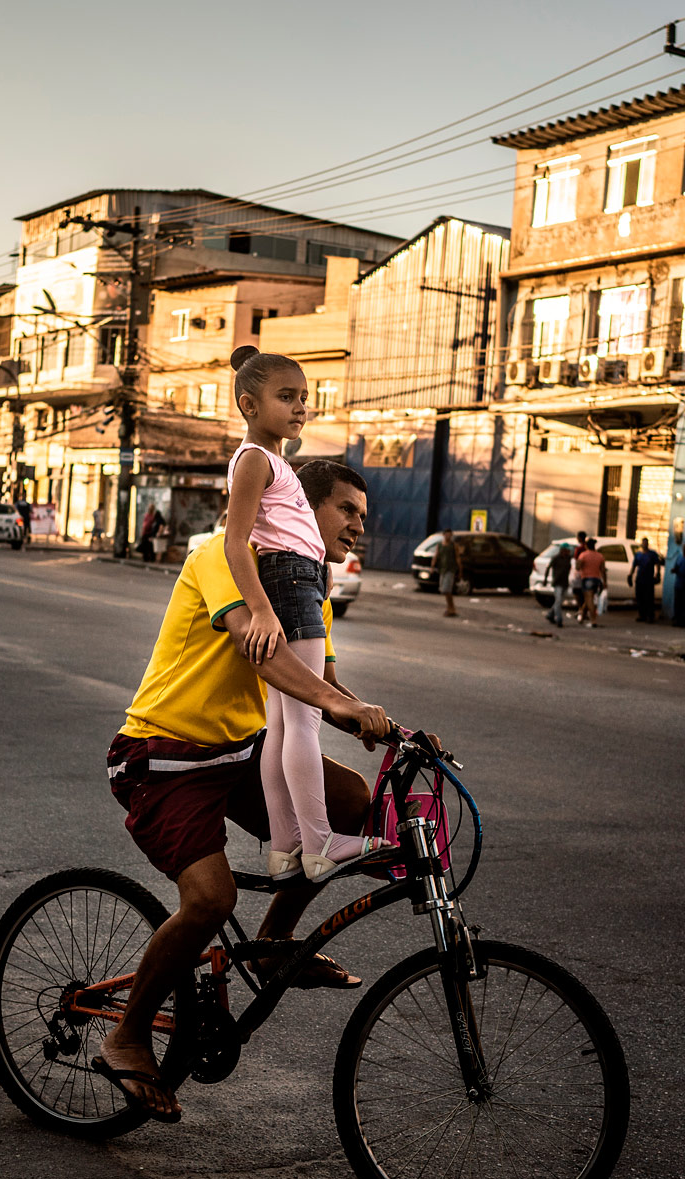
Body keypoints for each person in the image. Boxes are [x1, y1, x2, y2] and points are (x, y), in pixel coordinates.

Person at [101, 458, 391, 1122]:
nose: (356, 527)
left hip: (236, 751)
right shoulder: (220, 559)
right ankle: (127, 1033)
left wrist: (389, 723)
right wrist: (342, 710)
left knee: (349, 801)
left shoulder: (306, 583)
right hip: (163, 753)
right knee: (209, 899)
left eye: (363, 518)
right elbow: (264, 652)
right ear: (294, 504)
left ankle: (272, 945)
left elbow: (326, 682)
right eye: (346, 510)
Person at [221, 345, 397, 886]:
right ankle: (320, 843)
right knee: (301, 721)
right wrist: (261, 610)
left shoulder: (276, 463)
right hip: (290, 582)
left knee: (283, 723)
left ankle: (285, 844)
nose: (301, 408)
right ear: (249, 405)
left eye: (305, 398)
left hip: (298, 580)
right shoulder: (256, 460)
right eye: (286, 397)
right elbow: (234, 541)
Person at [574, 537, 607, 627]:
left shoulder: (583, 555)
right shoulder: (600, 556)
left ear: (586, 545)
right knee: (588, 599)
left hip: (587, 579)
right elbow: (603, 570)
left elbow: (577, 567)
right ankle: (582, 616)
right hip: (597, 579)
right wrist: (605, 582)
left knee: (589, 600)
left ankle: (593, 620)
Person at [630, 538, 663, 624]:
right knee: (640, 598)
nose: (644, 545)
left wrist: (658, 574)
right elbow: (634, 566)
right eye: (643, 543)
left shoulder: (652, 554)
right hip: (640, 579)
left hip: (648, 580)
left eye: (646, 543)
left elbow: (657, 564)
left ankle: (650, 616)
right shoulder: (638, 555)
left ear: (647, 544)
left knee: (649, 598)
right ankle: (642, 615)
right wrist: (630, 575)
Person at [544, 539, 574, 628]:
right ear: (562, 550)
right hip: (557, 582)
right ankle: (559, 619)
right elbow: (548, 568)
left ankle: (550, 614)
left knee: (559, 601)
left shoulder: (569, 558)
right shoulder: (556, 558)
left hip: (565, 582)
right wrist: (545, 580)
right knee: (558, 601)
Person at [435, 529, 460, 617]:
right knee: (443, 590)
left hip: (451, 569)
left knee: (447, 590)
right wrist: (432, 566)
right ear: (444, 535)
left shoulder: (453, 545)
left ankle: (451, 609)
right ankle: (450, 608)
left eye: (450, 535)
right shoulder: (440, 545)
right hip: (443, 569)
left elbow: (457, 557)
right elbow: (436, 555)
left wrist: (460, 569)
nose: (448, 536)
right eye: (447, 535)